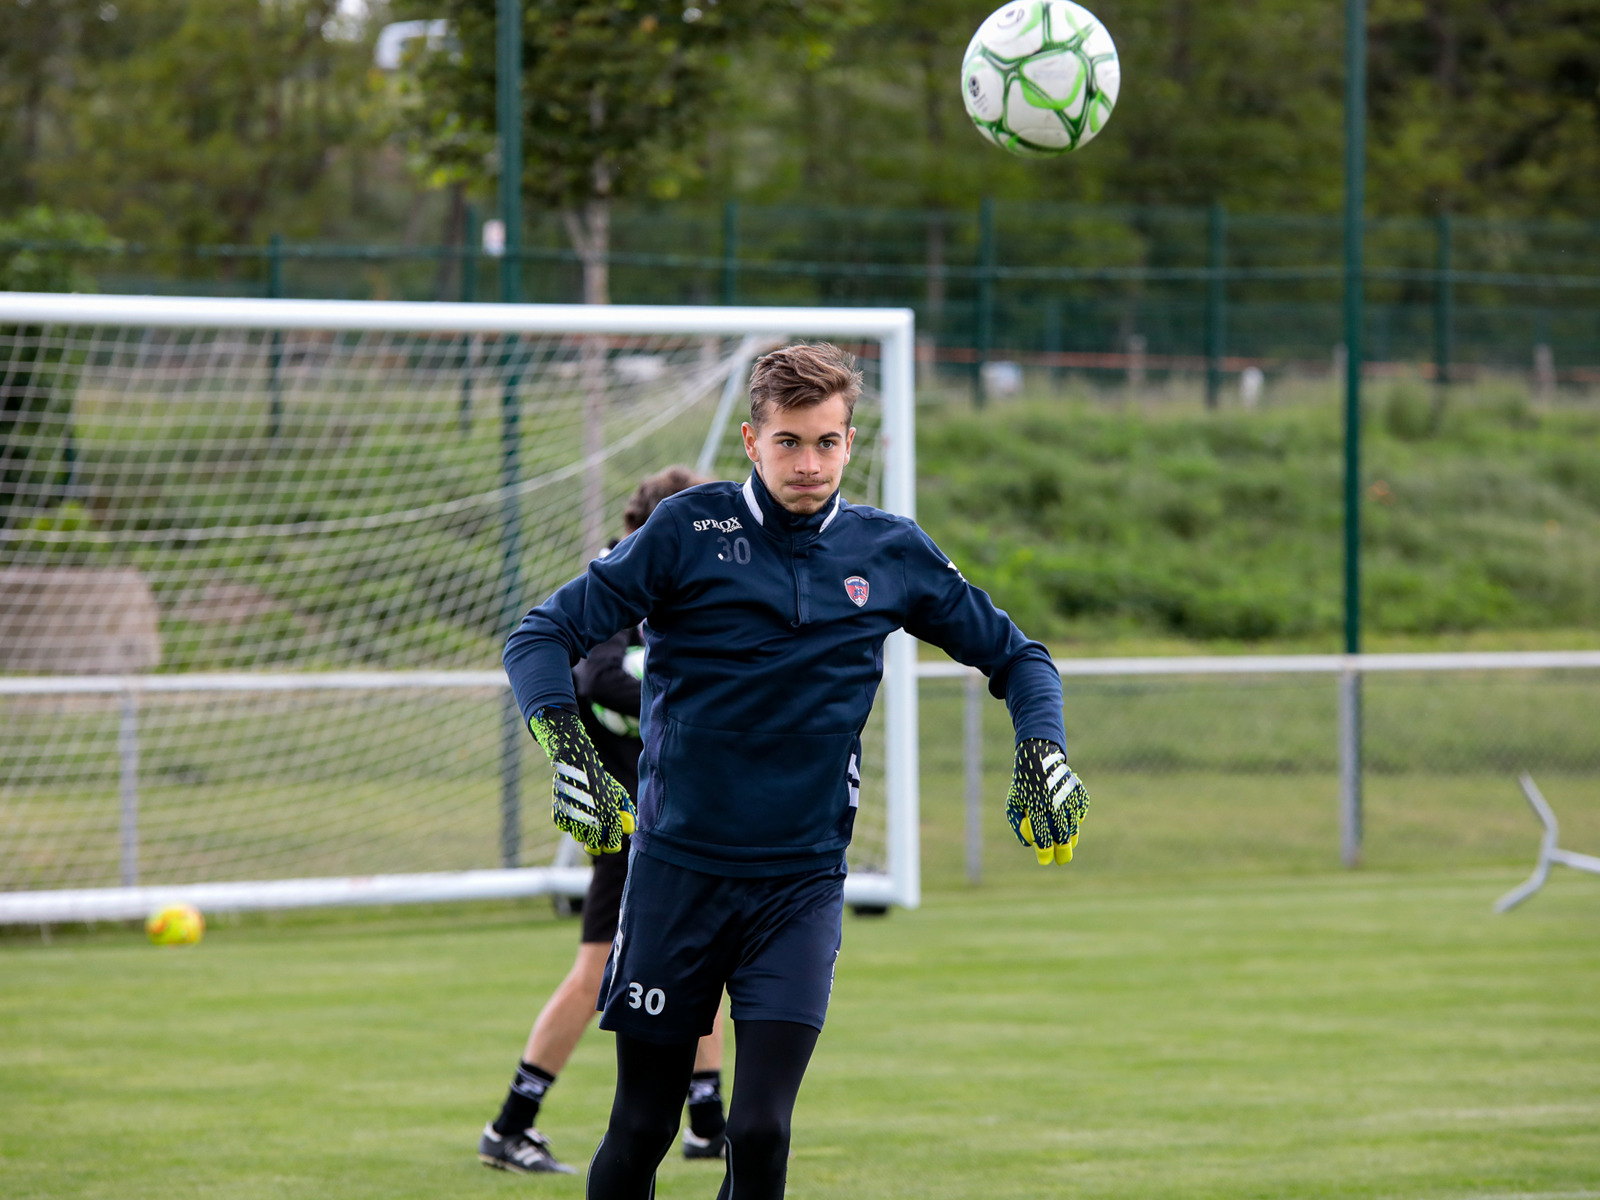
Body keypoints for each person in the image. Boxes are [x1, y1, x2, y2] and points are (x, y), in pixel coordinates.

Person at [503, 343, 1089, 1199]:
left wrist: (1044, 745)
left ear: (851, 442)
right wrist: (567, 746)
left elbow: (1020, 658)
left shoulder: (890, 551)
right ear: (752, 441)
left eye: (826, 442)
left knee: (760, 1127)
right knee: (644, 1125)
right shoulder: (685, 531)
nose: (808, 463)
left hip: (800, 886)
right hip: (675, 876)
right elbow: (540, 635)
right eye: (788, 442)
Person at [479, 466, 730, 1175]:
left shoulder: (681, 597)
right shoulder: (621, 590)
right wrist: (687, 695)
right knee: (597, 970)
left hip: (677, 818)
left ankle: (708, 1122)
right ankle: (511, 1124)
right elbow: (596, 677)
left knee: (705, 959)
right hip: (623, 823)